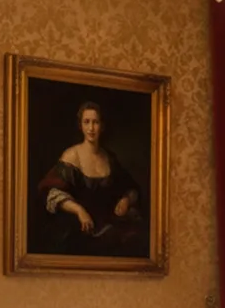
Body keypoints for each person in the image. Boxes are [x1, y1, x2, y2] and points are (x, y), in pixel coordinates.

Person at [38, 101, 146, 256]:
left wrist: (126, 200)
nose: (91, 128)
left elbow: (130, 188)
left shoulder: (109, 158)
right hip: (81, 226)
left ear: (102, 126)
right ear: (80, 125)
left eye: (95, 122)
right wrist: (79, 210)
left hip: (109, 224)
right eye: (86, 122)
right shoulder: (71, 156)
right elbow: (51, 191)